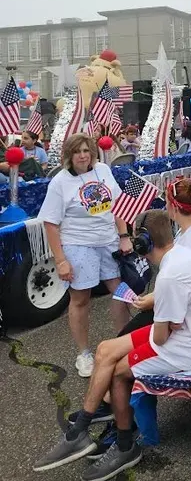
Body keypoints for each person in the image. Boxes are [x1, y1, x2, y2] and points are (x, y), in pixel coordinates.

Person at [33, 209, 191, 481]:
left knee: (118, 371)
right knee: (104, 350)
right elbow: (170, 324)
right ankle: (82, 431)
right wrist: (166, 321)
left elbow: (161, 338)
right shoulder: (182, 257)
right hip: (185, 333)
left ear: (143, 243)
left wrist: (165, 322)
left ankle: (123, 445)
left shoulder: (170, 275)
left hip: (186, 346)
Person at [37, 133, 132, 377]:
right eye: (77, 151)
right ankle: (84, 354)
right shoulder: (59, 182)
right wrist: (60, 260)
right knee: (80, 299)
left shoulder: (103, 170)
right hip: (78, 244)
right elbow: (50, 223)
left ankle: (124, 343)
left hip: (108, 241)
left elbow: (118, 205)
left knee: (120, 292)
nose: (82, 155)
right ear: (69, 155)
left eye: (86, 150)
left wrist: (124, 236)